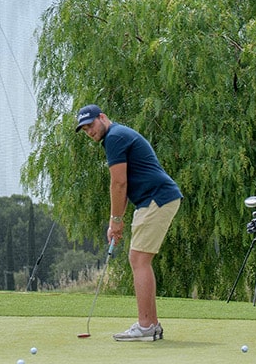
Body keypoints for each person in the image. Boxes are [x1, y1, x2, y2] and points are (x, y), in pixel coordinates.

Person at [75, 104, 182, 341]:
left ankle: (146, 327)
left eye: (91, 125)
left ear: (102, 117)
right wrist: (116, 222)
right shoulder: (116, 136)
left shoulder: (115, 137)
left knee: (138, 259)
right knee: (139, 258)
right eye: (84, 130)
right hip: (153, 199)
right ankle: (150, 325)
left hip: (157, 198)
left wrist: (115, 222)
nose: (89, 132)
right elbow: (122, 188)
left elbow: (118, 184)